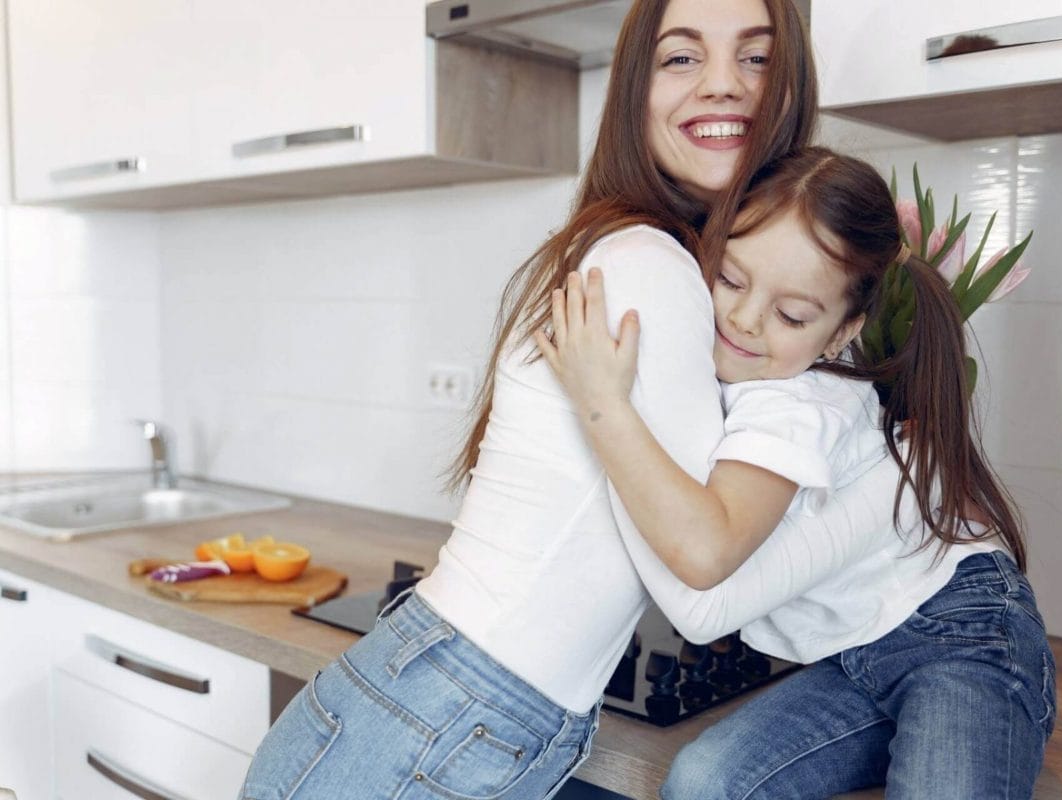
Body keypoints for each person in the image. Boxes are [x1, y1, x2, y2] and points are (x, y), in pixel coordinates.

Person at [237, 0, 848, 797]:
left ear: (791, 84)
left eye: (757, 58)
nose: (724, 85)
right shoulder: (649, 267)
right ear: (636, 90)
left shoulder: (652, 257)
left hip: (437, 712)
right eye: (682, 58)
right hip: (437, 725)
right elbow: (704, 572)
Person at [535, 148, 1056, 799]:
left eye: (792, 316)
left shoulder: (797, 403)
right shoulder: (723, 383)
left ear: (842, 333)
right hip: (852, 655)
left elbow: (703, 556)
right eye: (729, 279)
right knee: (703, 783)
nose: (746, 319)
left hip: (963, 635)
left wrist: (603, 401)